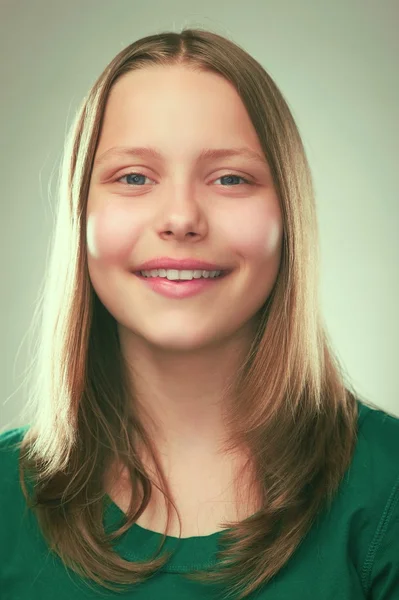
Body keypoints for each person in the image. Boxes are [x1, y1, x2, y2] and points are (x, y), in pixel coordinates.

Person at [1, 27, 398, 600]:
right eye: (134, 177)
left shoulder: (388, 491)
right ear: (79, 213)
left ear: (288, 216)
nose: (182, 217)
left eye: (230, 178)